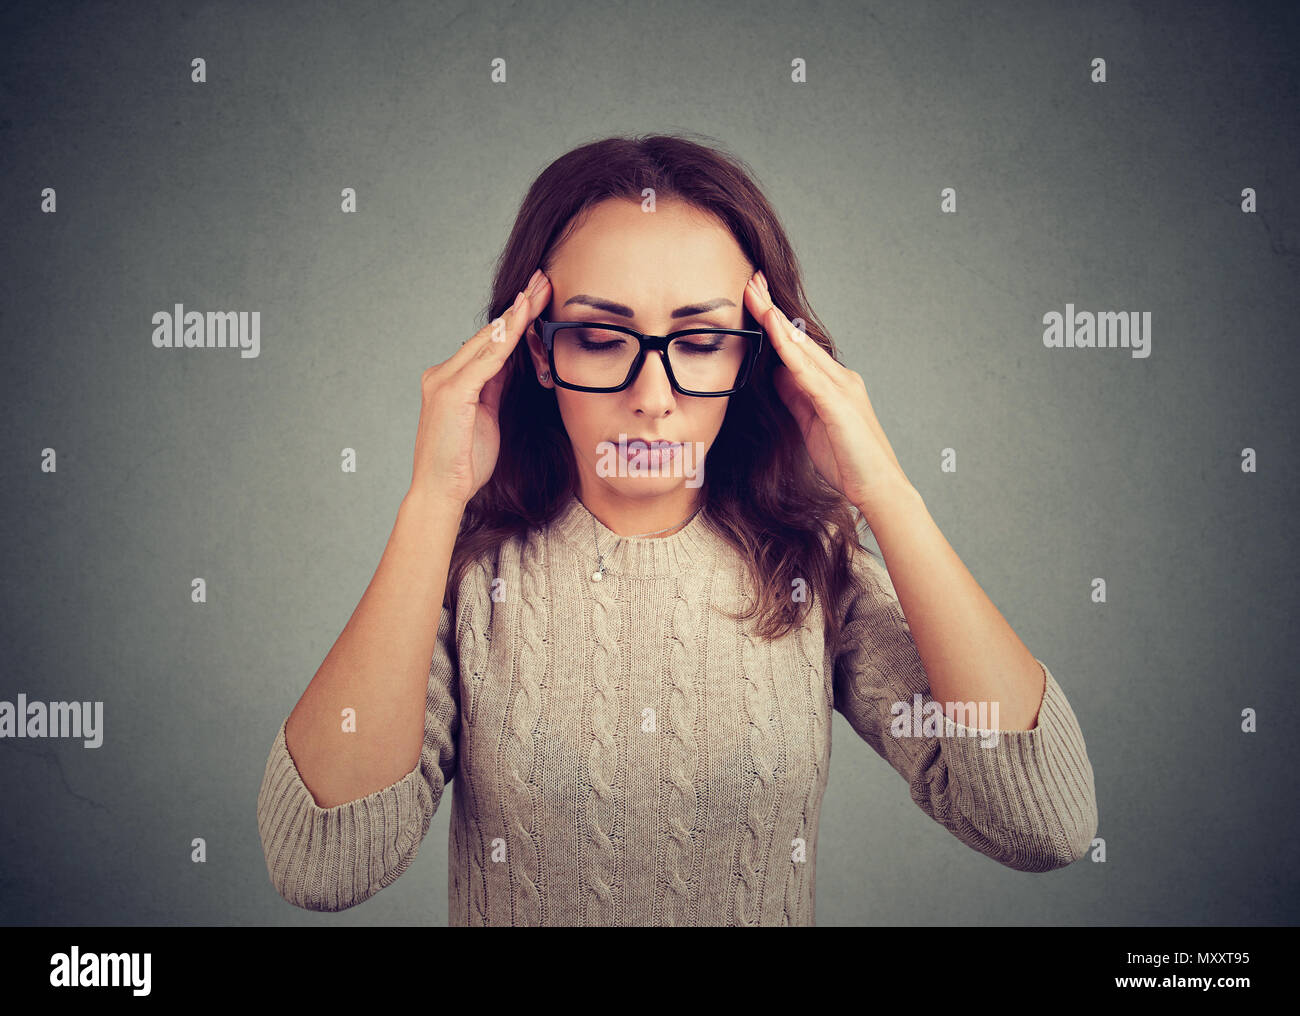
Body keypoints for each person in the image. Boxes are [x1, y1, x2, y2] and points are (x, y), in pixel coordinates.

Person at [256, 132, 1098, 926]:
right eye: (597, 335)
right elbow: (324, 865)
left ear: (753, 355)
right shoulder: (467, 577)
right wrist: (431, 501)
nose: (652, 396)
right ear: (540, 352)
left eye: (698, 340)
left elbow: (1043, 822)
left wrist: (886, 491)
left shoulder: (811, 569)